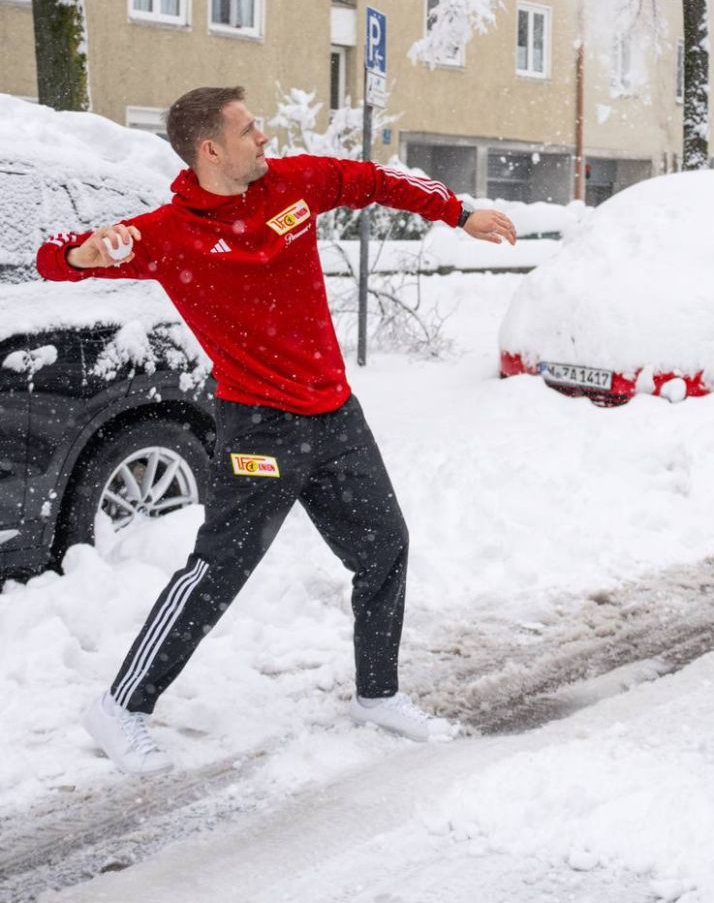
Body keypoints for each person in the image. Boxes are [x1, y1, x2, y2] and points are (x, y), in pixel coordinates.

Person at [36, 86, 516, 775]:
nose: (264, 138)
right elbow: (53, 256)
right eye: (248, 130)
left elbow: (377, 181)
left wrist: (460, 211)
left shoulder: (294, 186)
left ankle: (378, 694)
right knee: (218, 570)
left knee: (384, 546)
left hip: (335, 416)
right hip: (259, 431)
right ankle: (119, 706)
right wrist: (85, 254)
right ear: (210, 149)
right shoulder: (171, 233)